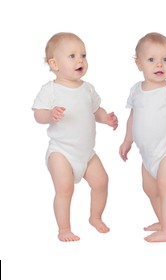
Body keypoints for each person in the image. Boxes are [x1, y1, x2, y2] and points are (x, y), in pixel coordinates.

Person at [32, 32, 118, 242]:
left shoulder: (87, 89)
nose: (80, 60)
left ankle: (95, 217)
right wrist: (49, 115)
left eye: (83, 55)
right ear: (55, 63)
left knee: (102, 182)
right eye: (72, 56)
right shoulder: (50, 89)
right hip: (61, 152)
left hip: (87, 153)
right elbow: (37, 114)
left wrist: (105, 118)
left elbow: (95, 110)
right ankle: (64, 229)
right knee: (65, 188)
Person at [119, 32, 166, 242]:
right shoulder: (136, 91)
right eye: (151, 60)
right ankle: (162, 220)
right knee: (149, 189)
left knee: (165, 189)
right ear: (138, 64)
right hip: (148, 155)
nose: (159, 64)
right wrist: (127, 140)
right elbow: (133, 117)